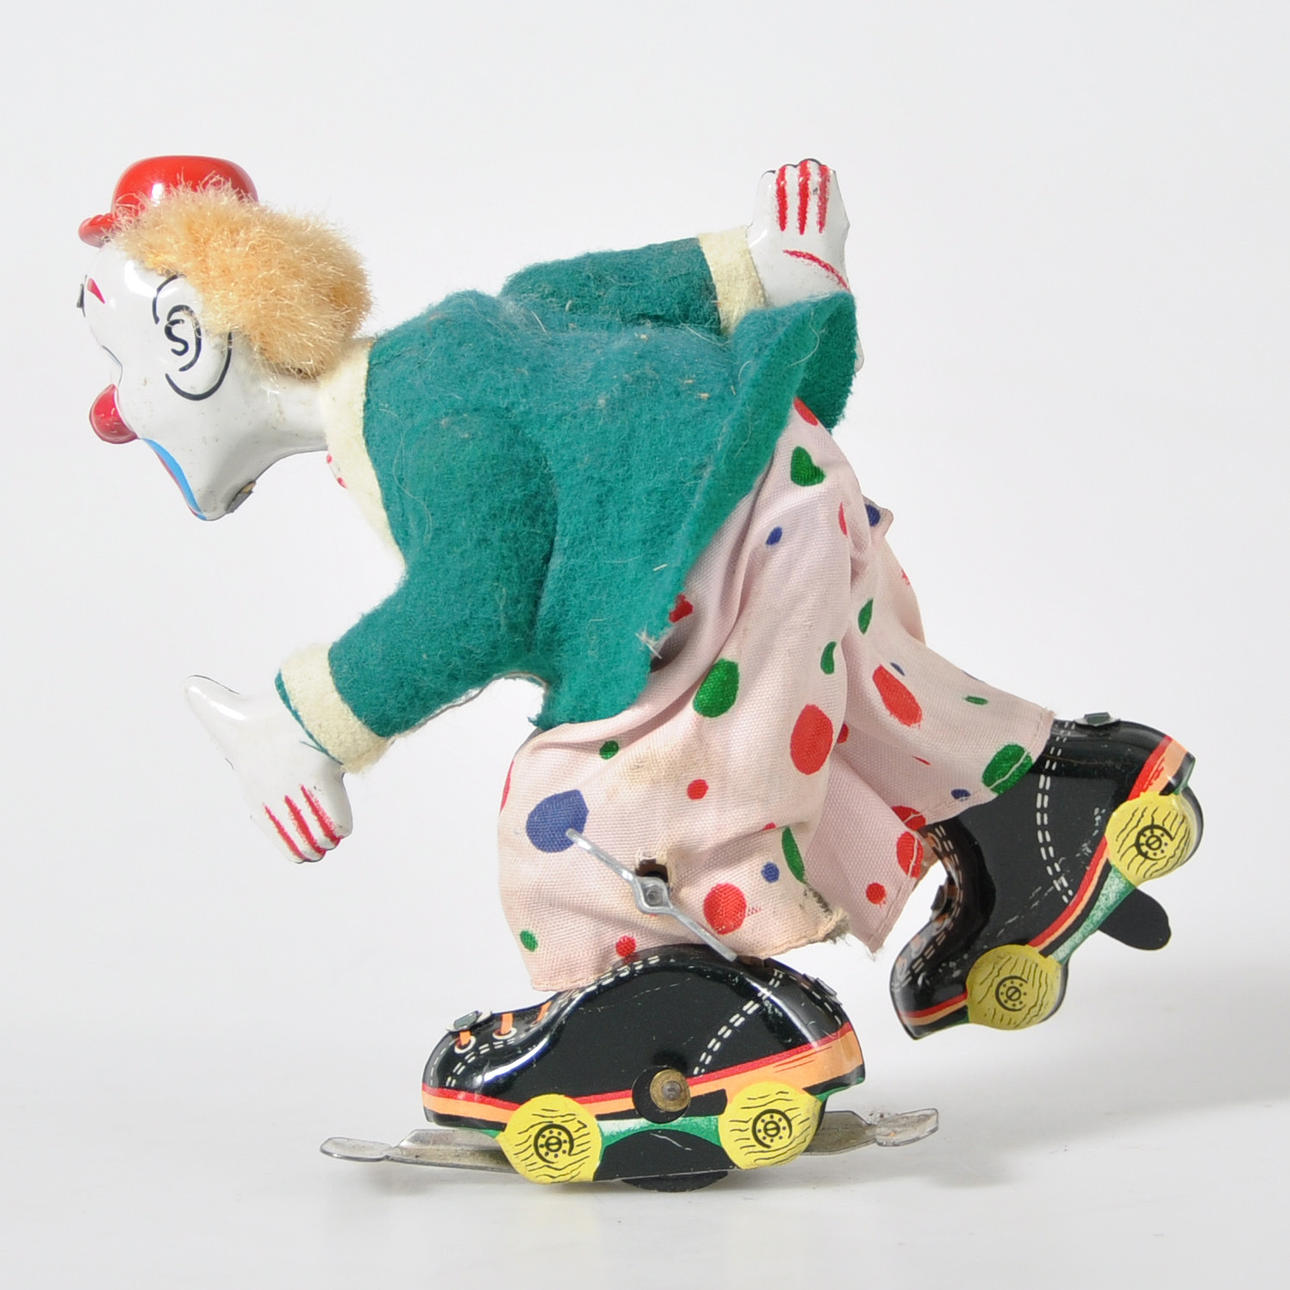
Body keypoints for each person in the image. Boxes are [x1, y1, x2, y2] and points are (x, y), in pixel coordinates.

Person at [78, 156, 1200, 1040]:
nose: (115, 413)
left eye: (116, 365)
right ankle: (1043, 802)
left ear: (186, 340)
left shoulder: (410, 413)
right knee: (851, 691)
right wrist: (773, 265)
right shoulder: (465, 331)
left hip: (721, 542)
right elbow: (610, 294)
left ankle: (684, 1020)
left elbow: (476, 605)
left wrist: (304, 726)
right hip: (785, 476)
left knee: (575, 811)